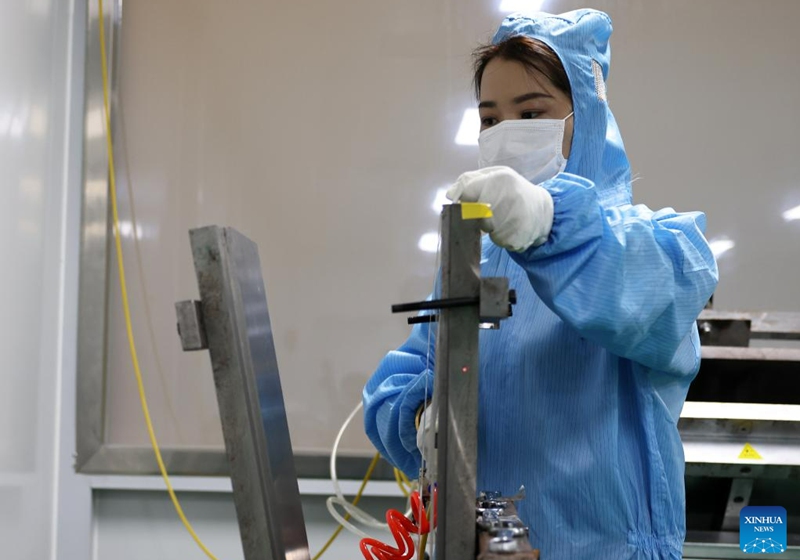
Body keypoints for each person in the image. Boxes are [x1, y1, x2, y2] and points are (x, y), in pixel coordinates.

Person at [362, 9, 718, 559]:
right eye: (490, 119)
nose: (506, 133)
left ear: (587, 117)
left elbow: (637, 293)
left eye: (531, 113)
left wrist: (549, 222)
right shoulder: (474, 261)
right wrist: (420, 415)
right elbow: (406, 376)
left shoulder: (660, 244)